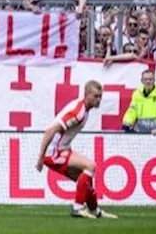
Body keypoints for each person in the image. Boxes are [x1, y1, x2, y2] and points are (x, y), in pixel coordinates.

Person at [35, 80, 117, 219]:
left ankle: (94, 211)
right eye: (95, 96)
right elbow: (50, 130)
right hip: (54, 152)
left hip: (62, 149)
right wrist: (41, 157)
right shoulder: (79, 112)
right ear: (87, 95)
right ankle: (77, 208)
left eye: (100, 96)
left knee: (85, 180)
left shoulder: (83, 109)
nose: (98, 100)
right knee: (90, 166)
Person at [122, 69, 156, 134]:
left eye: (150, 79)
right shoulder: (137, 93)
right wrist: (126, 125)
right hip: (140, 132)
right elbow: (132, 111)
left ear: (154, 80)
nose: (148, 81)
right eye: (146, 79)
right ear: (142, 81)